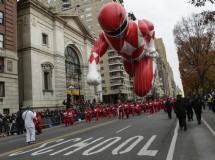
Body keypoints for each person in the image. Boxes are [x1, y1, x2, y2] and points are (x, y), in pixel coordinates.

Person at [87, 2, 158, 97]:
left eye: (120, 30)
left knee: (141, 90)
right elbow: (95, 51)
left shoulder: (138, 27)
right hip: (127, 61)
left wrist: (150, 47)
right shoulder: (105, 37)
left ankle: (152, 65)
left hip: (142, 57)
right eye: (114, 33)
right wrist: (92, 70)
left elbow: (151, 27)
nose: (119, 35)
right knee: (131, 74)